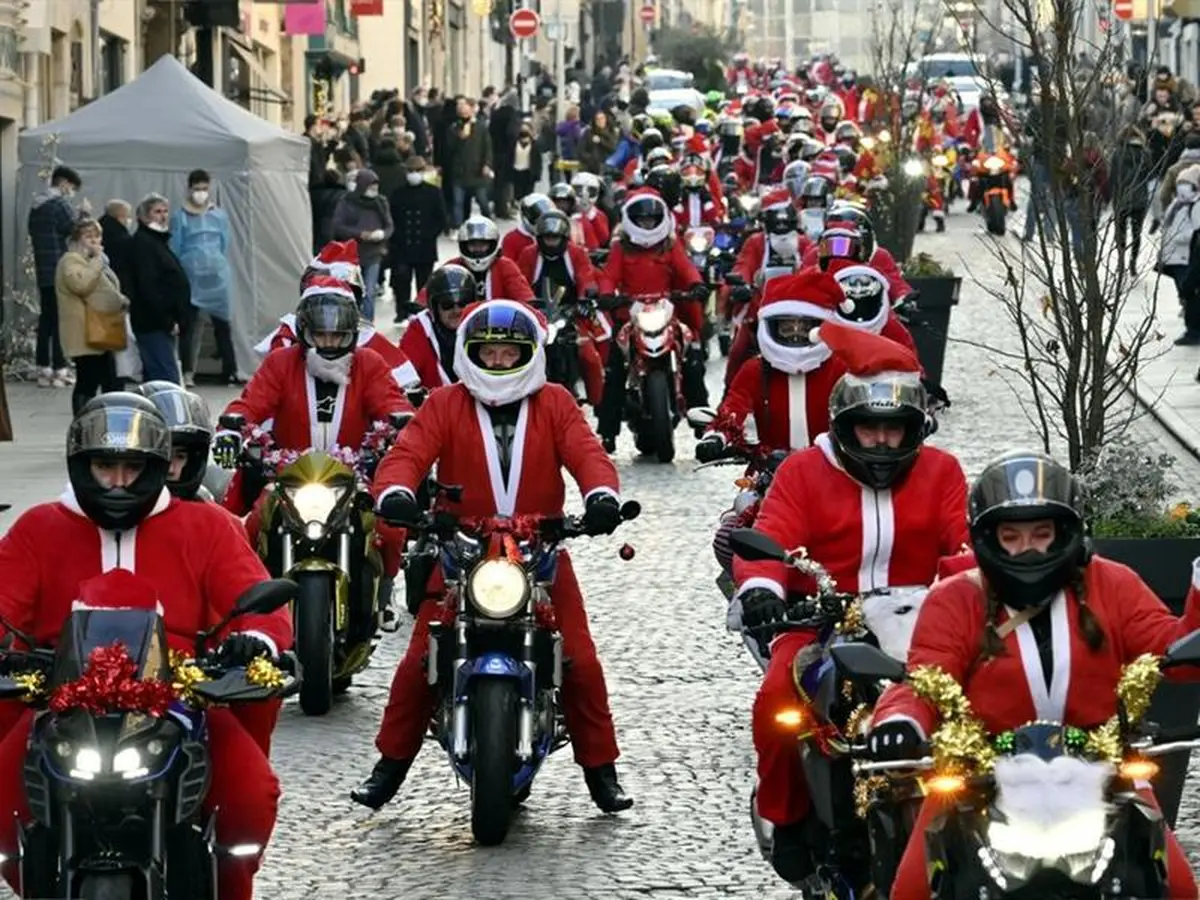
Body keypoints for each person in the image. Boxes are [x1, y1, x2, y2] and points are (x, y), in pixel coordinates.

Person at [870, 450, 1200, 900]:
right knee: (911, 890)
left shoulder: (1115, 584)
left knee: (1179, 888)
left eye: (1042, 534)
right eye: (1012, 536)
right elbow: (924, 677)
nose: (1028, 547)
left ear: (1066, 533)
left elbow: (1170, 649)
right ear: (988, 538)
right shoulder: (954, 599)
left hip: (1105, 772)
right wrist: (899, 723)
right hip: (977, 777)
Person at [0, 392, 291, 900]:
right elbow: (4, 602)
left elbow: (253, 599)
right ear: (81, 464)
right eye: (104, 465)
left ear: (156, 467)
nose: (117, 480)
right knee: (1, 801)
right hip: (57, 704)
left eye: (132, 467)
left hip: (185, 700)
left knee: (249, 795)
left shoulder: (207, 526)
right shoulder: (38, 528)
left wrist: (253, 639)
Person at [350, 299, 634, 815]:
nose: (500, 362)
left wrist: (600, 497)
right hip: (461, 554)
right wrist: (394, 491)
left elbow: (588, 454)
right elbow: (408, 454)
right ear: (470, 354)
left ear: (528, 355)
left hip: (541, 554)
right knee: (418, 663)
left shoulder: (555, 402)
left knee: (582, 662)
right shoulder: (443, 402)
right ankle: (389, 768)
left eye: (509, 353)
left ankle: (601, 770)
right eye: (490, 353)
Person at [734, 322, 969, 884]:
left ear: (916, 428)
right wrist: (764, 589)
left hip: (928, 625)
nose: (882, 442)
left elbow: (964, 544)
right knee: (776, 705)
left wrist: (975, 588)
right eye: (869, 429)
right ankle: (787, 820)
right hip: (821, 621)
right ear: (844, 426)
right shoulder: (803, 470)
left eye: (895, 430)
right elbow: (772, 535)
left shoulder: (942, 471)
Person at [215, 285, 413, 591]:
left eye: (337, 336)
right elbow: (250, 404)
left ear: (351, 336)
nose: (328, 344)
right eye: (320, 335)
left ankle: (384, 590)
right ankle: (247, 590)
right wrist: (230, 430)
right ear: (303, 333)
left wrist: (401, 424)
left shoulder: (370, 363)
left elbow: (392, 403)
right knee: (254, 523)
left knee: (387, 526)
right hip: (289, 477)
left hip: (353, 476)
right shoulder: (280, 362)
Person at [596, 188, 708, 450]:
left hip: (666, 313)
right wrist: (605, 295)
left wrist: (696, 285)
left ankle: (702, 421)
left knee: (693, 359)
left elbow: (687, 269)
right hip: (630, 316)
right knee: (614, 369)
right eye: (642, 220)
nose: (647, 224)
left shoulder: (671, 245)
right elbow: (609, 277)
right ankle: (608, 431)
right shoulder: (619, 249)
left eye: (651, 220)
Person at [698, 270, 849, 458]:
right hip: (769, 470)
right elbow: (734, 407)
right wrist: (718, 435)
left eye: (804, 329)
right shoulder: (755, 370)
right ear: (772, 328)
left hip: (831, 469)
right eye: (787, 328)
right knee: (737, 350)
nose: (795, 335)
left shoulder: (841, 368)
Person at [517, 210, 608, 406]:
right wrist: (523, 304)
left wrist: (586, 297)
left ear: (565, 238)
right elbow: (520, 283)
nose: (551, 242)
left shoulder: (576, 253)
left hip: (570, 314)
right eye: (547, 238)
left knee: (589, 356)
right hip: (536, 315)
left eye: (555, 238)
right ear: (539, 238)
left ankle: (599, 401)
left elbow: (586, 277)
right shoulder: (528, 255)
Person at [170, 169, 238, 387]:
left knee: (223, 325)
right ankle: (188, 371)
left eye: (204, 188)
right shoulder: (180, 216)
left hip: (217, 276)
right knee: (189, 326)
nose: (201, 193)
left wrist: (213, 261)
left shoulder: (218, 215)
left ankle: (230, 370)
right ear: (189, 189)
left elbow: (224, 243)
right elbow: (176, 246)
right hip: (191, 277)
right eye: (197, 188)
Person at [55, 218, 128, 413]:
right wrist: (97, 261)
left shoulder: (89, 261)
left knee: (110, 378)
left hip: (99, 330)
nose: (94, 241)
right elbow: (81, 285)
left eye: (97, 236)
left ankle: (104, 418)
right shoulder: (70, 260)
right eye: (88, 236)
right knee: (88, 380)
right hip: (83, 333)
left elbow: (107, 287)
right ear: (77, 239)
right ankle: (82, 421)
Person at [28, 165, 86, 388]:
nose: (71, 191)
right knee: (61, 319)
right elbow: (76, 230)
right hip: (60, 269)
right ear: (63, 183)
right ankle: (60, 369)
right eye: (71, 187)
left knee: (46, 319)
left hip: (43, 268)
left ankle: (43, 367)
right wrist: (83, 213)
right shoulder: (58, 204)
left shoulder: (36, 206)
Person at [126, 193, 191, 384]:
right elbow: (149, 286)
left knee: (157, 376)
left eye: (165, 211)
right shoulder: (144, 244)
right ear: (144, 216)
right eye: (157, 212)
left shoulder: (157, 242)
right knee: (165, 378)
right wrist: (167, 319)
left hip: (161, 323)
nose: (162, 216)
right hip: (153, 323)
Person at [387, 156, 446, 323]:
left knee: (424, 283)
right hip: (402, 246)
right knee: (401, 282)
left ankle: (422, 312)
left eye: (417, 171)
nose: (414, 174)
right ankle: (402, 312)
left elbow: (441, 219)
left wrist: (429, 234)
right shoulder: (398, 193)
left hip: (424, 247)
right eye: (410, 171)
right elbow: (392, 217)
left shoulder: (433, 192)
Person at [331, 169, 393, 322]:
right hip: (352, 255)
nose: (374, 191)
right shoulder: (347, 202)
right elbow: (338, 226)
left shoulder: (381, 202)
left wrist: (382, 234)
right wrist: (360, 234)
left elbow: (389, 225)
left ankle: (368, 325)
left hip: (374, 253)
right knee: (352, 292)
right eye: (370, 187)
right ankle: (352, 322)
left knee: (370, 292)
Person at [399, 263, 475, 389]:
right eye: (447, 304)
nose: (457, 311)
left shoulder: (483, 325)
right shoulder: (420, 329)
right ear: (434, 308)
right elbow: (402, 376)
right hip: (434, 405)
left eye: (463, 303)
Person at [434, 216, 534, 303]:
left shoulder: (505, 266)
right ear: (464, 245)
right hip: (460, 323)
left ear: (492, 245)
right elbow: (429, 293)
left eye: (482, 244)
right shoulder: (452, 267)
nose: (478, 249)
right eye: (473, 245)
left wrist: (530, 304)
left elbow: (523, 295)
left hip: (498, 322)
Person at [448, 96, 494, 226]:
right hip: (459, 171)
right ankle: (458, 226)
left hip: (477, 171)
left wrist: (487, 164)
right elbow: (449, 147)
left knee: (483, 201)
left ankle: (489, 223)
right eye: (461, 111)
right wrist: (459, 138)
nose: (463, 113)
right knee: (458, 202)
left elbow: (487, 148)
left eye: (465, 110)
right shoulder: (454, 128)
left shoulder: (480, 127)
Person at [501, 192, 555, 262]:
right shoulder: (512, 239)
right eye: (538, 219)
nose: (542, 222)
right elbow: (508, 265)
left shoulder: (557, 233)